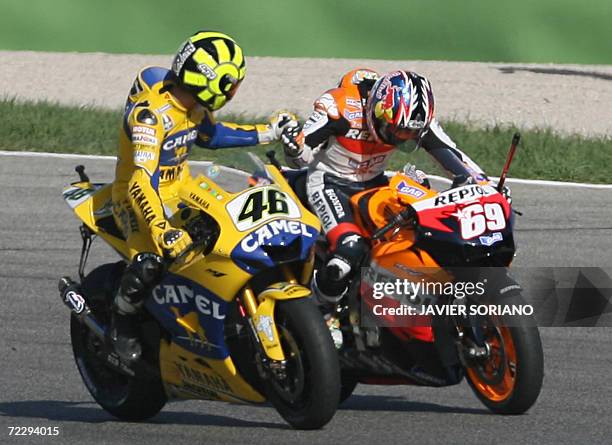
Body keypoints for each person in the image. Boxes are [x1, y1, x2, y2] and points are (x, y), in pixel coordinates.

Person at [110, 31, 296, 361]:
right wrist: (160, 228)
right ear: (208, 81)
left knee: (234, 224)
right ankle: (121, 320)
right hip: (135, 196)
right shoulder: (150, 116)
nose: (233, 91)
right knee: (149, 263)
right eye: (231, 84)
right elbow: (142, 179)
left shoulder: (192, 104)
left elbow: (212, 135)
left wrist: (268, 132)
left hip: (182, 185)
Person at [281, 68, 510, 304]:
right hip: (328, 183)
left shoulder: (416, 120)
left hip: (375, 185)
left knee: (413, 234)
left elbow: (453, 156)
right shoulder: (340, 106)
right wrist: (294, 146)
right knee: (349, 249)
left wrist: (486, 187)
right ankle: (318, 314)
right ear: (377, 111)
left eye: (410, 133)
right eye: (398, 130)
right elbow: (301, 156)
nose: (403, 137)